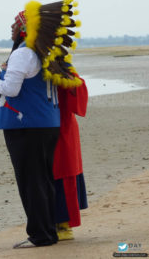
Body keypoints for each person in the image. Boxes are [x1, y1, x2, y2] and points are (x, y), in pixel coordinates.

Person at [0, 0, 82, 248]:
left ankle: (40, 235)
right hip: (45, 124)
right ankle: (48, 232)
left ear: (24, 29)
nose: (12, 29)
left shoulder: (24, 54)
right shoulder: (45, 53)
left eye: (15, 24)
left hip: (26, 126)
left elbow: (12, 89)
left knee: (31, 182)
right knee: (42, 181)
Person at [54, 76, 88, 240]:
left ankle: (64, 225)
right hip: (41, 127)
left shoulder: (60, 64)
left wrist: (65, 77)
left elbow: (78, 85)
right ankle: (53, 223)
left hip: (63, 125)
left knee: (64, 171)